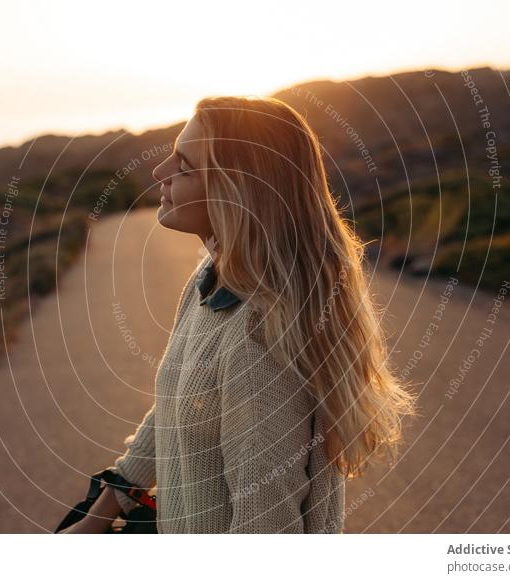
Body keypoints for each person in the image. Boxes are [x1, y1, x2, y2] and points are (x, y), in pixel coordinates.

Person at [63, 95, 417, 534]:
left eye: (185, 165)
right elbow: (175, 410)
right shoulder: (210, 280)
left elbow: (265, 530)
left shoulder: (260, 337)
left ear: (238, 189)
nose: (160, 173)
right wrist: (96, 518)